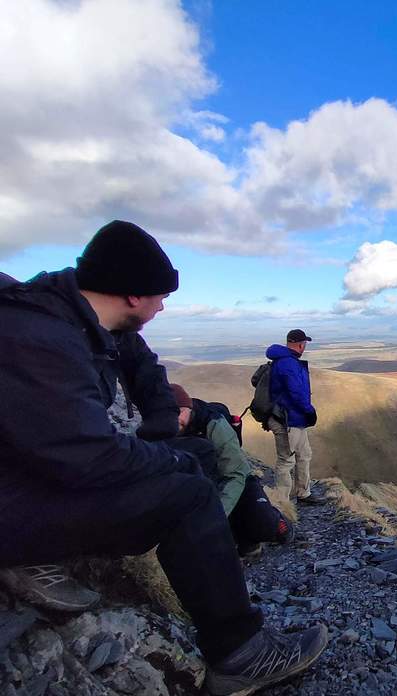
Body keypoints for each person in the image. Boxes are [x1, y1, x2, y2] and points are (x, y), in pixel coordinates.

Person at [0, 221, 327, 695]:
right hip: (15, 505)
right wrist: (164, 461)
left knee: (192, 455)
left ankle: (233, 558)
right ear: (133, 295)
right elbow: (84, 457)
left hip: (36, 482)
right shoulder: (41, 338)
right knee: (188, 491)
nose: (163, 304)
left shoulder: (86, 318)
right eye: (159, 295)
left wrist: (160, 430)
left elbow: (146, 370)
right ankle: (240, 653)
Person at [170, 384, 295, 555]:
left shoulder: (214, 424)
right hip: (199, 488)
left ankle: (277, 522)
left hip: (236, 480)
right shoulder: (156, 429)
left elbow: (236, 473)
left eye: (179, 412)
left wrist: (215, 515)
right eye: (169, 413)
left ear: (189, 408)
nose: (175, 420)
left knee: (266, 524)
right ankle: (239, 538)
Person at [265, 329, 324, 504]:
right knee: (286, 460)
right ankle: (281, 503)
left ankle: (303, 493)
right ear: (300, 344)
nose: (304, 347)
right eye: (304, 344)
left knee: (304, 454)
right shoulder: (288, 364)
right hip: (288, 420)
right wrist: (309, 411)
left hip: (295, 419)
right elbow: (297, 393)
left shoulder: (285, 361)